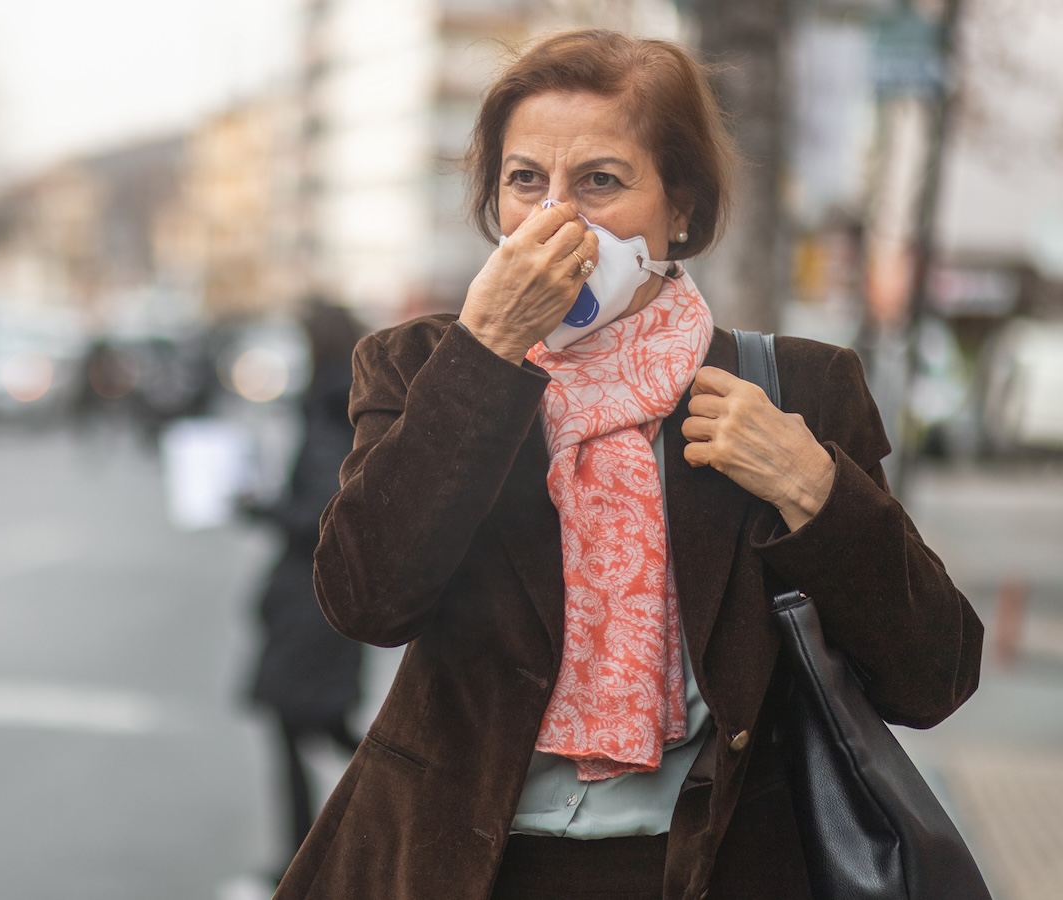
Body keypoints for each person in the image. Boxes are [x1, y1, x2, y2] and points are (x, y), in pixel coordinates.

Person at [275, 29, 983, 900]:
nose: (555, 218)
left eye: (600, 182)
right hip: (462, 868)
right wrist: (487, 351)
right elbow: (366, 599)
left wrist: (815, 490)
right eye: (524, 180)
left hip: (716, 868)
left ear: (679, 209)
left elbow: (934, 674)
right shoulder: (424, 367)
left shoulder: (796, 386)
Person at [242, 300, 366, 879]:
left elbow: (322, 513)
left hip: (311, 601)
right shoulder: (346, 400)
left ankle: (302, 860)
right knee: (317, 726)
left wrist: (259, 507)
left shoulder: (328, 407)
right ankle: (308, 856)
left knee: (300, 726)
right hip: (318, 599)